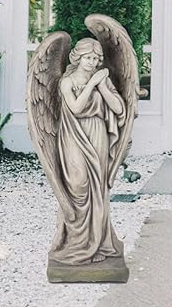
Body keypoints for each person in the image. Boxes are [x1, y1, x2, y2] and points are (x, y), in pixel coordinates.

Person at [51, 38, 126, 265]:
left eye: (95, 58)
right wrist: (93, 84)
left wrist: (102, 87)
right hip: (73, 134)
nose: (92, 62)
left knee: (97, 186)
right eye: (88, 58)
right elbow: (75, 108)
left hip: (97, 131)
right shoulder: (67, 81)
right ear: (78, 57)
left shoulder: (102, 79)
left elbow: (119, 108)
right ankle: (75, 242)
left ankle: (96, 241)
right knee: (77, 184)